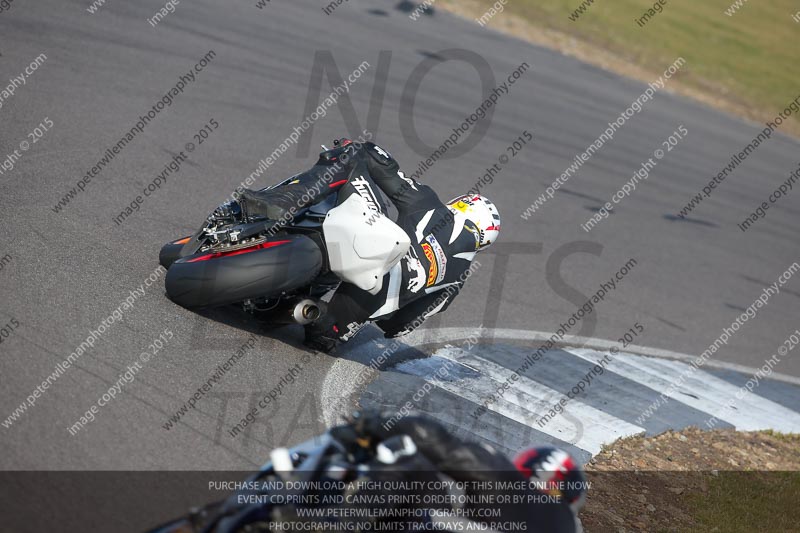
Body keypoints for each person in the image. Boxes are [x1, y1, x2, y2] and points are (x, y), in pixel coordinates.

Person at [229, 138, 501, 353]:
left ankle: (283, 202)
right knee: (324, 337)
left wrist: (357, 148)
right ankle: (307, 309)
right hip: (360, 303)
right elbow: (396, 327)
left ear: (462, 205)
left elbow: (386, 171)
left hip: (363, 248)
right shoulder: (456, 283)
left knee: (350, 160)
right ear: (483, 243)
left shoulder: (432, 206)